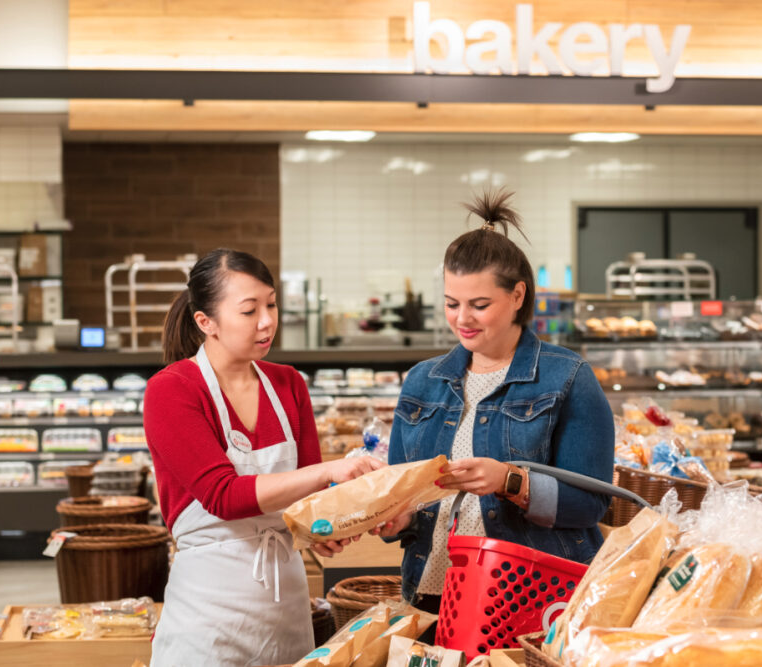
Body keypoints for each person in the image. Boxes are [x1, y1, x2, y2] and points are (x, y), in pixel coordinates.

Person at [375, 190, 615, 612]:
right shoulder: (422, 382)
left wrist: (511, 481)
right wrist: (395, 518)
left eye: (479, 304)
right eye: (452, 304)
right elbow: (404, 497)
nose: (462, 319)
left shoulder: (568, 377)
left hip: (531, 600)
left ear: (518, 296)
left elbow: (591, 505)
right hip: (432, 594)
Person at [144, 249, 382, 666]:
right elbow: (223, 496)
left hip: (285, 612)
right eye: (249, 310)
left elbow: (309, 499)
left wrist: (325, 529)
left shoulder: (288, 384)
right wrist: (328, 469)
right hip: (207, 619)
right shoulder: (172, 390)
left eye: (270, 304)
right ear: (206, 322)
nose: (267, 320)